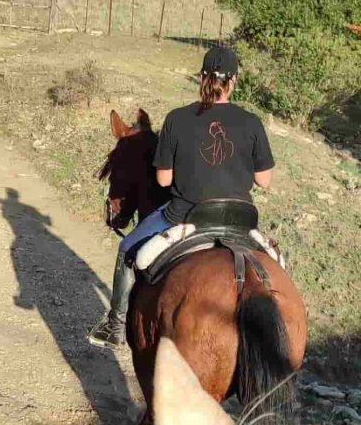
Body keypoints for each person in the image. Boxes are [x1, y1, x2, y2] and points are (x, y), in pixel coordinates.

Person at [88, 46, 275, 350]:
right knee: (276, 265)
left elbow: (163, 179)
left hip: (187, 216)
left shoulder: (177, 119)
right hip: (241, 221)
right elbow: (264, 181)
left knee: (127, 248)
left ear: (201, 78)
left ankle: (116, 324)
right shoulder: (252, 122)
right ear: (235, 81)